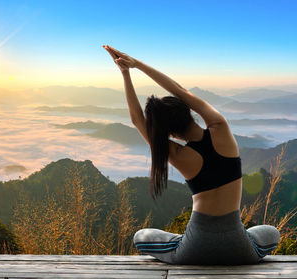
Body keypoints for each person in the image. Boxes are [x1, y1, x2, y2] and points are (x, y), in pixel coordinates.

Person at [103, 45, 280, 265]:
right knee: (272, 232)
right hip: (240, 249)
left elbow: (137, 120)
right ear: (188, 110)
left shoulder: (177, 154)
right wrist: (136, 64)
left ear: (171, 134)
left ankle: (180, 241)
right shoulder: (220, 128)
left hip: (194, 250)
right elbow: (180, 91)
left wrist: (125, 73)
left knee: (141, 237)